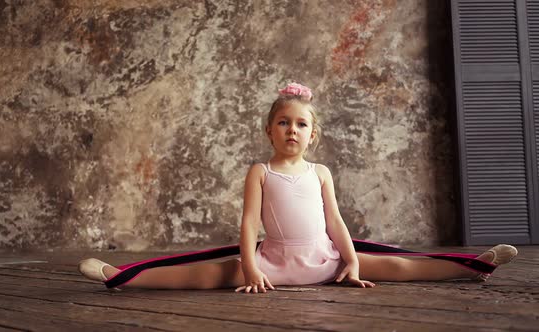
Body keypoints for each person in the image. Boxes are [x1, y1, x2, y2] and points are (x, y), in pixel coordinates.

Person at [78, 83, 518, 293]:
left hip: (325, 262)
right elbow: (249, 224)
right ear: (269, 131)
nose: (292, 129)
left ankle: (473, 265)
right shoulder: (260, 172)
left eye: (301, 124)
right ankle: (123, 276)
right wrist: (252, 268)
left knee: (397, 265)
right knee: (210, 272)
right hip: (275, 266)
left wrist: (350, 262)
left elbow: (336, 222)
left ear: (313, 134)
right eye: (283, 123)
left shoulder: (320, 172)